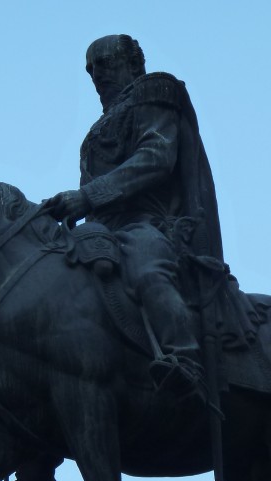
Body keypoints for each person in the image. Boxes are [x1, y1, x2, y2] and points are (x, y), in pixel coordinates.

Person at [45, 33, 224, 392]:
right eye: (90, 69)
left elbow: (156, 158)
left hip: (151, 226)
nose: (96, 74)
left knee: (147, 270)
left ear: (133, 63)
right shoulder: (95, 132)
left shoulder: (155, 90)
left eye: (104, 63)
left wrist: (86, 197)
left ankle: (185, 360)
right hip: (102, 232)